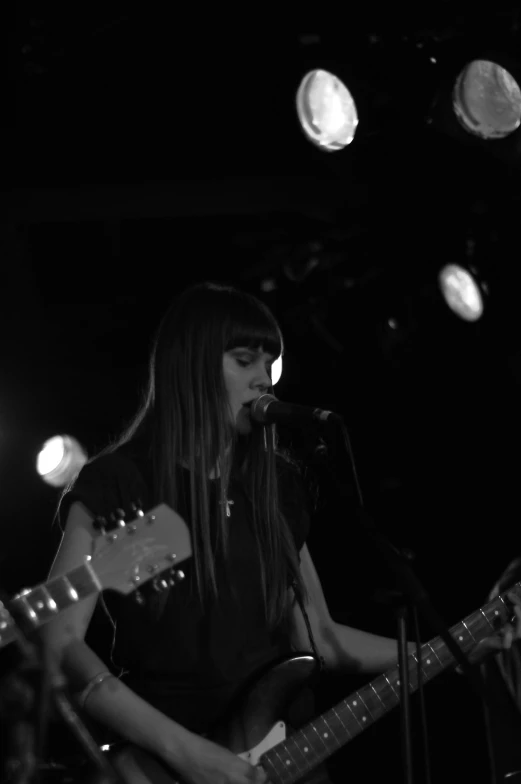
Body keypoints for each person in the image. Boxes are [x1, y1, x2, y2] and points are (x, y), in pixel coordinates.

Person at [41, 281, 521, 784]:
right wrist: (185, 753)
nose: (263, 378)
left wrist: (460, 647)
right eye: (244, 360)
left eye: (269, 363)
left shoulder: (276, 488)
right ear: (192, 365)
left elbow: (324, 640)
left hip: (285, 756)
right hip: (162, 763)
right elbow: (60, 637)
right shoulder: (119, 481)